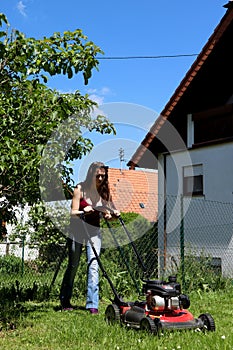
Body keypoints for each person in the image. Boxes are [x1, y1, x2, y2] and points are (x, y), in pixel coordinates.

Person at [60, 161, 120, 314]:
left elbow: (108, 216)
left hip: (94, 232)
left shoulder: (105, 193)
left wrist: (113, 215)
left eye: (103, 176)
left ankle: (92, 305)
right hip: (77, 231)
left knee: (94, 265)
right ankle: (65, 299)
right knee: (73, 266)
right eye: (97, 176)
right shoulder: (80, 188)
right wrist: (83, 210)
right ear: (91, 175)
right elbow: (72, 213)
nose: (100, 179)